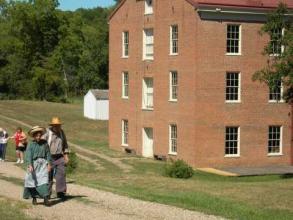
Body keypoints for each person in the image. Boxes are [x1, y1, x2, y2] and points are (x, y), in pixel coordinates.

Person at [23, 126, 51, 206]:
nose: (38, 137)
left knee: (44, 181)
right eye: (36, 135)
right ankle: (34, 198)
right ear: (34, 136)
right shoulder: (31, 144)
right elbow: (28, 155)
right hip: (34, 165)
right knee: (32, 182)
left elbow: (48, 154)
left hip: (43, 164)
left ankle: (46, 199)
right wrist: (30, 165)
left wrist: (49, 164)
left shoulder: (45, 143)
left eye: (39, 135)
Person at [42, 117, 69, 200]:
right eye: (56, 125)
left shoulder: (61, 132)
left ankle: (60, 192)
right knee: (48, 175)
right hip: (49, 157)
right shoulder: (47, 132)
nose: (57, 127)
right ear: (52, 126)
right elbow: (41, 143)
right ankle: (47, 193)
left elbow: (65, 144)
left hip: (59, 157)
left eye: (59, 125)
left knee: (61, 173)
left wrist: (66, 156)